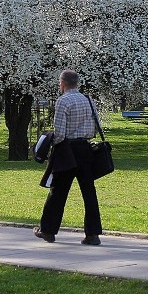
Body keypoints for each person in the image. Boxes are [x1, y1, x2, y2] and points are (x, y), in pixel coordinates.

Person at [34, 69, 103, 246]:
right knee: (89, 192)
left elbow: (60, 134)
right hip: (86, 149)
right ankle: (93, 234)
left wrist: (49, 141)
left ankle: (48, 230)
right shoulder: (88, 99)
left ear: (62, 83)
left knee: (58, 192)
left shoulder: (63, 101)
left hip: (67, 151)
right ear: (77, 83)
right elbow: (96, 126)